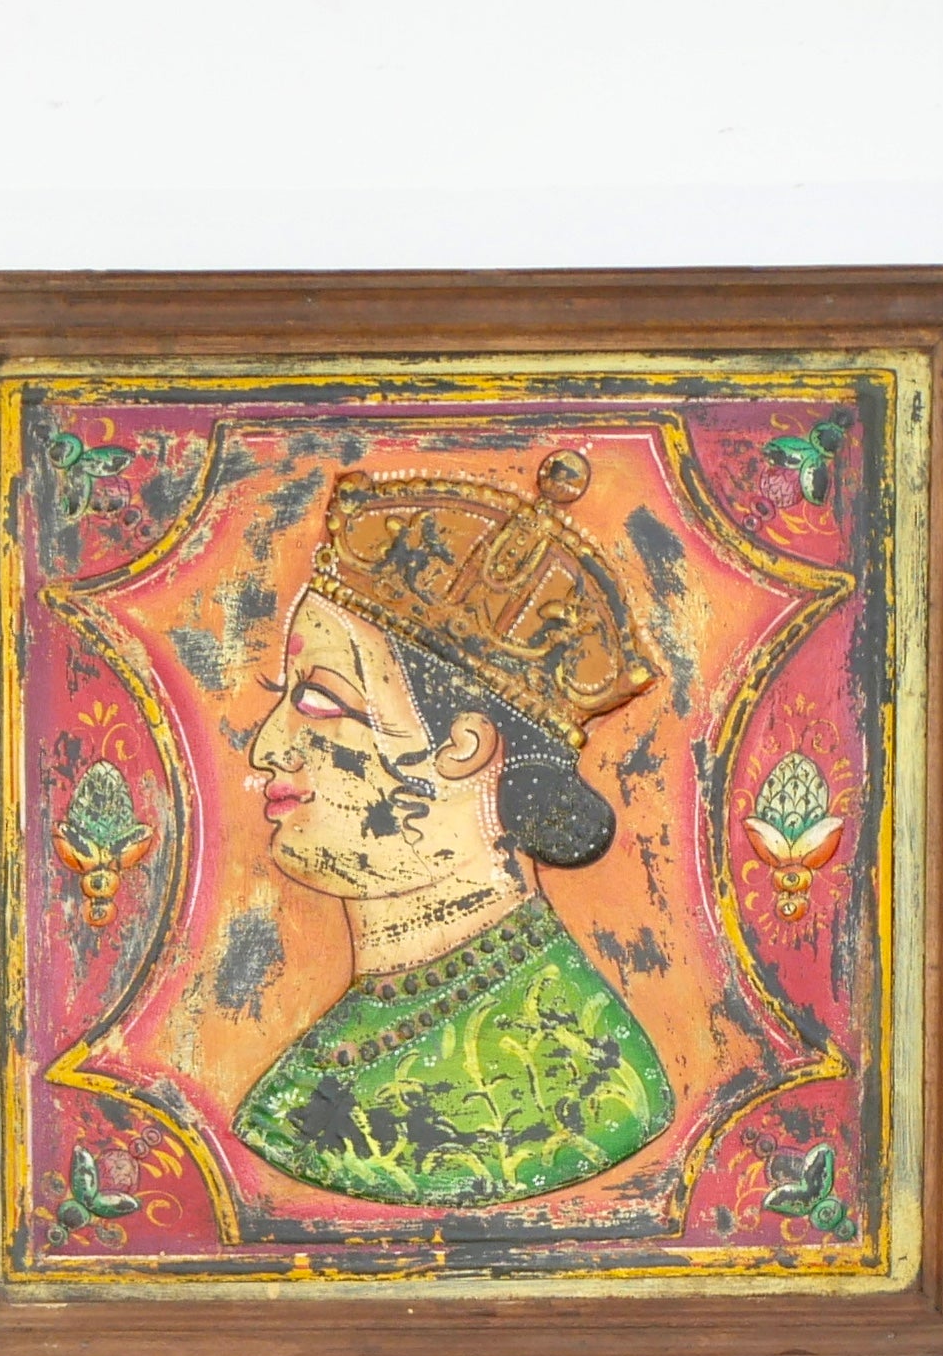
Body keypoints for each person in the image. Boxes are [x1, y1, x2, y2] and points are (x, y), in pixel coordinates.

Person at [231, 452, 675, 1207]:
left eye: (317, 704)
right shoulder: (351, 1034)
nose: (266, 749)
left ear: (464, 746)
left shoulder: (580, 1080)